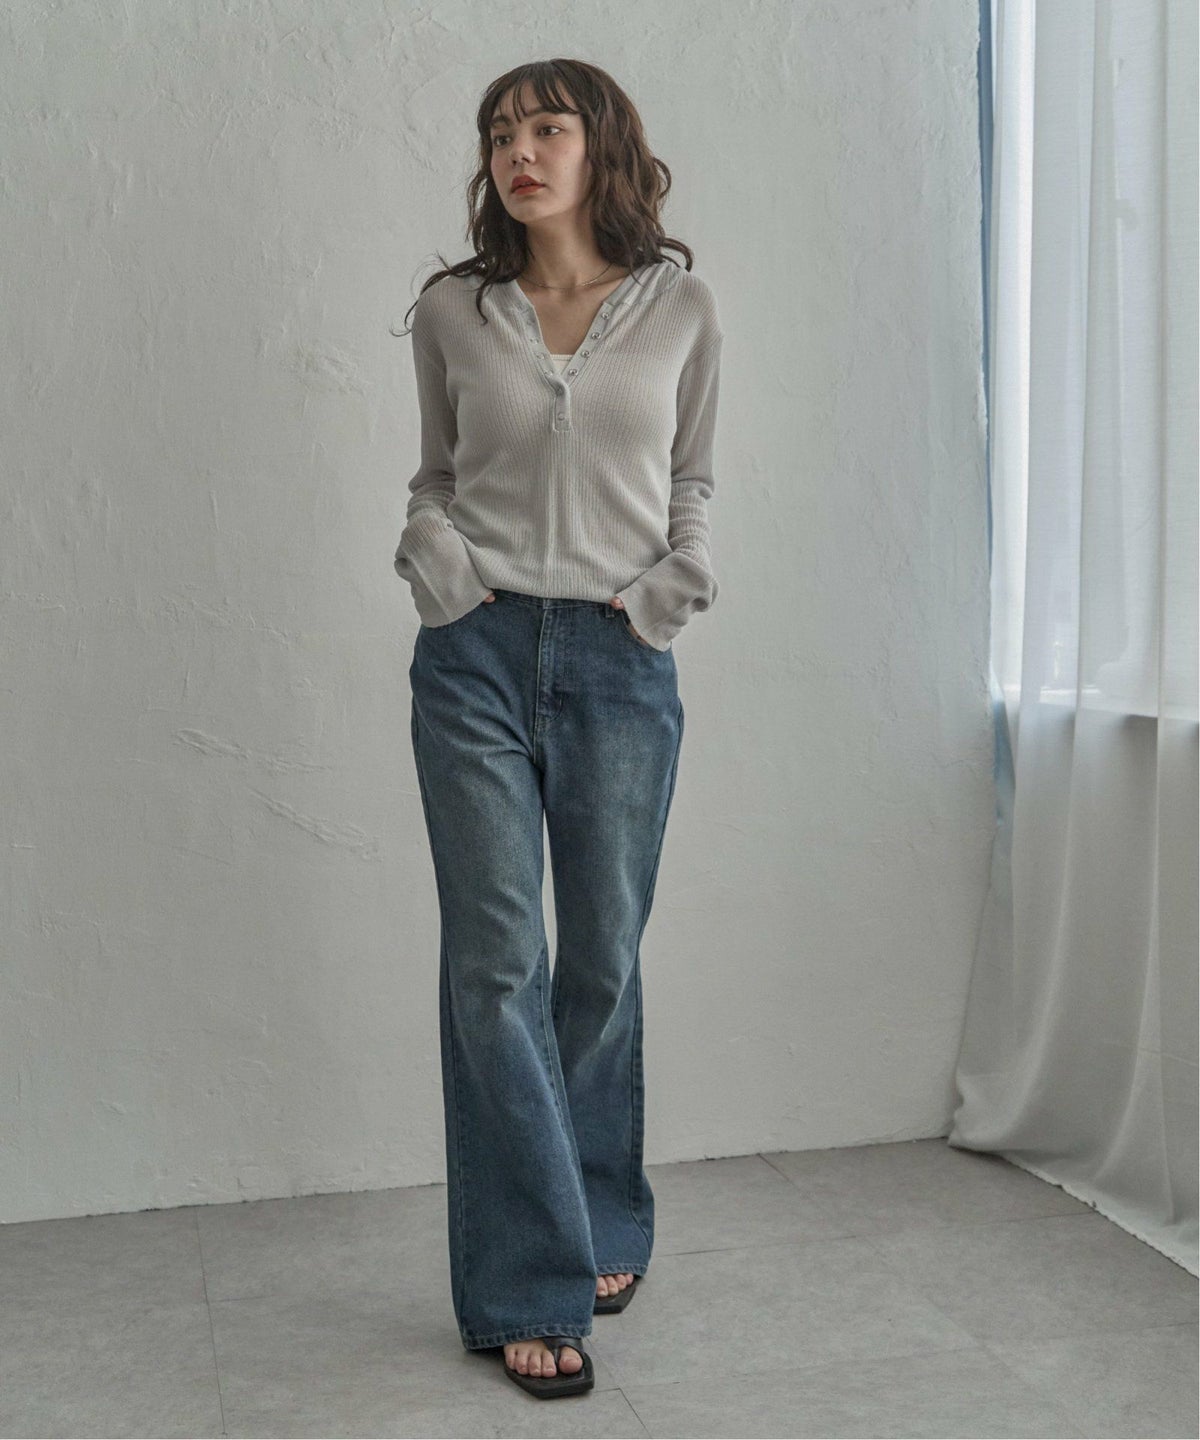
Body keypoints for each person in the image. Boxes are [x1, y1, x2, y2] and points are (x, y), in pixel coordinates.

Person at [393, 58, 722, 1399]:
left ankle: (601, 1218)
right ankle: (530, 1282)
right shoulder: (455, 310)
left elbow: (692, 476)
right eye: (499, 133)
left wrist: (668, 592)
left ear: (601, 148)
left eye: (545, 126)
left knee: (602, 959)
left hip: (619, 658)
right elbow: (433, 475)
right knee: (495, 966)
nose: (517, 150)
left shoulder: (680, 307)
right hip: (472, 656)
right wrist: (437, 564)